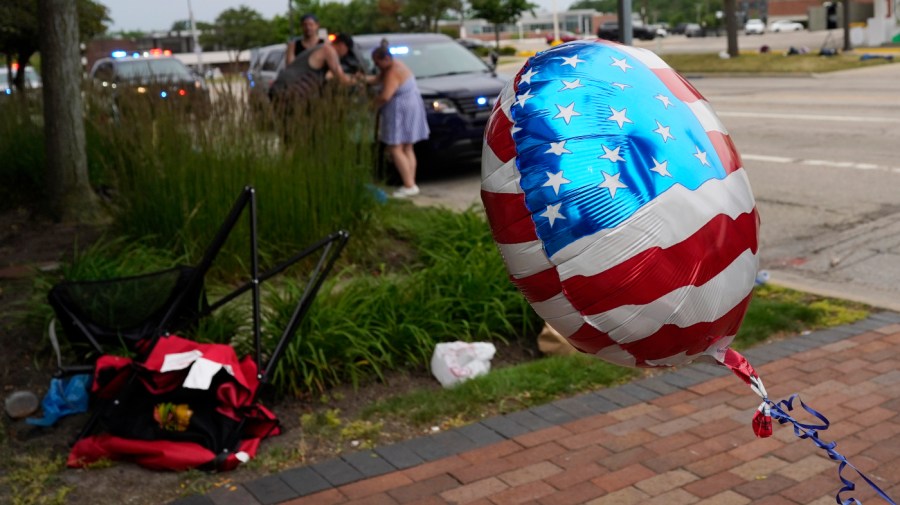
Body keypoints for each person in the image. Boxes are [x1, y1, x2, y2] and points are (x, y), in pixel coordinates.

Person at [369, 45, 430, 198]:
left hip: (400, 110)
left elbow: (385, 96)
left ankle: (408, 185)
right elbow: (376, 79)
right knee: (408, 147)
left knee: (395, 147)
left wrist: (370, 107)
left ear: (386, 59)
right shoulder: (397, 64)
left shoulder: (392, 72)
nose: (376, 66)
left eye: (377, 63)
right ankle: (411, 182)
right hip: (412, 105)